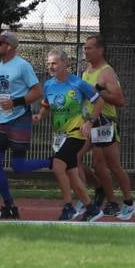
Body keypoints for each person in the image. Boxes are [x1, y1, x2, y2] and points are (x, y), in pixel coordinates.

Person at [0, 30, 47, 219]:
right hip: (1, 119)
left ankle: (51, 161)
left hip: (19, 117)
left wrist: (16, 102)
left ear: (10, 47)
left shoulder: (22, 66)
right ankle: (9, 204)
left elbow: (38, 92)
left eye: (0, 44)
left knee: (18, 166)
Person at [36, 48, 101, 222]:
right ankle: (91, 208)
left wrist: (90, 121)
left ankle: (68, 206)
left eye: (55, 63)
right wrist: (40, 115)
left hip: (76, 134)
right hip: (60, 136)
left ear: (65, 63)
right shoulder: (49, 84)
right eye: (48, 63)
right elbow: (46, 104)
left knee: (58, 166)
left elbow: (99, 100)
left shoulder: (77, 83)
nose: (51, 66)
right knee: (72, 175)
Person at [81, 34, 135, 220]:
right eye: (85, 47)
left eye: (89, 48)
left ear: (100, 50)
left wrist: (100, 92)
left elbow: (120, 100)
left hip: (105, 122)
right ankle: (101, 191)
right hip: (89, 121)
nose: (85, 50)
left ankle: (127, 202)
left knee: (111, 165)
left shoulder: (106, 73)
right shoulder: (87, 70)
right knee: (75, 158)